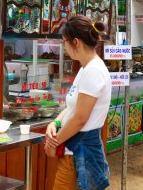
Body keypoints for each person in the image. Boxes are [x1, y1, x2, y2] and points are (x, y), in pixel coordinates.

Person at [44, 15, 111, 190]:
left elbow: (80, 118)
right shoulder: (86, 69)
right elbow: (72, 108)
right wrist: (55, 122)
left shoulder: (93, 71)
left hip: (77, 155)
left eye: (64, 41)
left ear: (76, 42)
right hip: (73, 153)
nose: (63, 46)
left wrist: (54, 142)